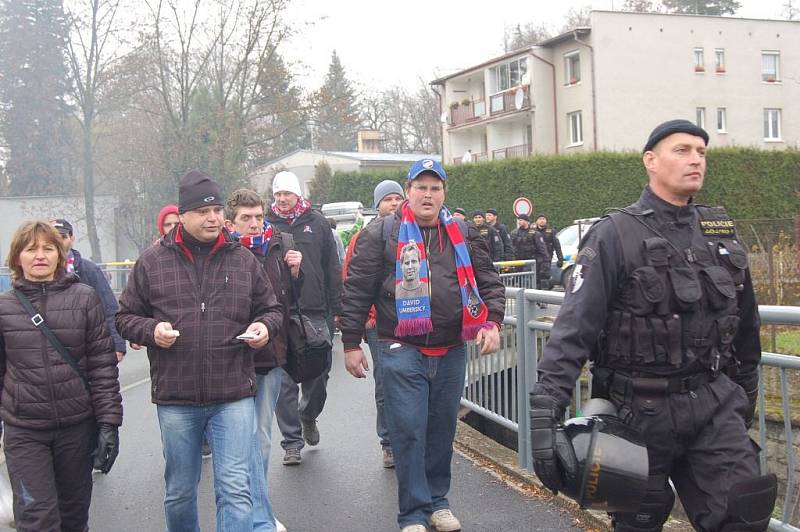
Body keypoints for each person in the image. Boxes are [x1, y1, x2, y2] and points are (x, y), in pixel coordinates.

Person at [528, 120, 776, 532]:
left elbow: (746, 320)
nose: (695, 159)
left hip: (712, 402)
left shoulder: (720, 232)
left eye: (701, 151)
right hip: (637, 414)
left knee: (744, 514)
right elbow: (574, 327)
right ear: (651, 161)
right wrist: (544, 412)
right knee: (638, 523)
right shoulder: (614, 234)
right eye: (682, 150)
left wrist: (746, 385)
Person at [341, 159, 505, 532]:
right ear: (408, 190)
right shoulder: (381, 233)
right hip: (400, 346)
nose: (427, 195)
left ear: (443, 193)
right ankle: (413, 513)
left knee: (442, 429)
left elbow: (489, 283)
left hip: (451, 348)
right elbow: (356, 292)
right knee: (409, 429)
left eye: (435, 188)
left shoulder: (462, 233)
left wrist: (492, 322)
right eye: (421, 187)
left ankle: (438, 502)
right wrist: (351, 343)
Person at [116, 170, 283, 531]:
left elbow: (272, 309)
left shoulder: (243, 260)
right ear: (184, 216)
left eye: (217, 211)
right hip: (177, 397)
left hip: (234, 394)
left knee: (235, 489)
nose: (213, 219)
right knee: (179, 491)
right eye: (203, 212)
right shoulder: (152, 261)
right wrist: (151, 330)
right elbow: (125, 317)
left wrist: (263, 327)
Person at [0, 220, 122, 531]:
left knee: (73, 516)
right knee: (37, 519)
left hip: (76, 428)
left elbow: (102, 367)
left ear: (60, 254)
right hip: (24, 431)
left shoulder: (84, 298)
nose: (40, 255)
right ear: (17, 258)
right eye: (31, 249)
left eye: (48, 248)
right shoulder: (4, 308)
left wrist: (109, 424)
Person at [225, 188, 300, 532]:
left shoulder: (278, 243)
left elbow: (287, 301)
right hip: (230, 358)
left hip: (269, 355)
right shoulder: (221, 251)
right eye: (246, 219)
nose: (254, 225)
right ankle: (247, 512)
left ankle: (259, 511)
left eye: (258, 217)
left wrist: (297, 273)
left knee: (262, 437)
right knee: (240, 440)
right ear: (231, 222)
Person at [267, 171, 342, 465]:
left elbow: (332, 268)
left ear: (298, 195)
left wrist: (338, 310)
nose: (282, 199)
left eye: (287, 193)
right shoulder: (266, 225)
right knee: (284, 382)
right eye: (277, 195)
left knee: (318, 374)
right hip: (278, 312)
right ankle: (291, 442)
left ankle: (308, 414)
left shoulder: (318, 223)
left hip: (313, 310)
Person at [341, 179, 404, 469]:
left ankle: (412, 439)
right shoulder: (364, 237)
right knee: (386, 383)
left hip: (413, 322)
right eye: (387, 199)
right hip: (378, 324)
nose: (393, 203)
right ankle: (389, 442)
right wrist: (361, 322)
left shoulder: (413, 231)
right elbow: (351, 283)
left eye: (397, 198)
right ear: (377, 204)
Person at [50, 218, 128, 363]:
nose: (58, 242)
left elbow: (109, 307)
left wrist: (118, 344)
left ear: (72, 238)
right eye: (53, 237)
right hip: (52, 348)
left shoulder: (89, 270)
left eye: (63, 237)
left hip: (88, 346)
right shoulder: (39, 273)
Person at [532, 214, 563, 289]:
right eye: (540, 219)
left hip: (546, 259)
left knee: (545, 279)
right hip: (535, 259)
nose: (542, 221)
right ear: (536, 221)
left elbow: (557, 246)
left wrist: (560, 258)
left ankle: (545, 298)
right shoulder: (533, 232)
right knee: (535, 280)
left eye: (543, 219)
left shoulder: (551, 232)